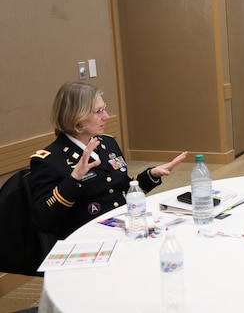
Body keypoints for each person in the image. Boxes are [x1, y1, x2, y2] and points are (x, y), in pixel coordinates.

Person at [29, 81, 188, 239]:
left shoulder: (107, 143)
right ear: (76, 117)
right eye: (98, 111)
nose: (106, 116)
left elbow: (123, 188)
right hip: (88, 238)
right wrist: (73, 178)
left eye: (104, 109)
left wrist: (152, 174)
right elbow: (43, 221)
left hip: (125, 227)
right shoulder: (49, 160)